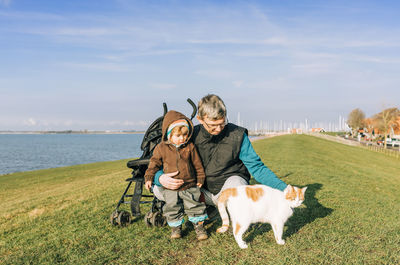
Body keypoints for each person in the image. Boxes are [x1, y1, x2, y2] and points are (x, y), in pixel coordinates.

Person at [153, 94, 287, 218]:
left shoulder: (238, 135)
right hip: (199, 191)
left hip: (227, 190)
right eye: (213, 125)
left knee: (238, 184)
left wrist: (286, 190)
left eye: (222, 123)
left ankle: (232, 212)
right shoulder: (189, 136)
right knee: (158, 190)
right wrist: (160, 177)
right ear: (200, 119)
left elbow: (257, 168)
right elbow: (162, 162)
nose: (218, 129)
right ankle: (199, 208)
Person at [144, 110, 208, 240]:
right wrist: (149, 177)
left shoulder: (189, 147)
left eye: (185, 135)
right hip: (171, 188)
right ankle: (176, 228)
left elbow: (197, 164)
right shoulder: (161, 148)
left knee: (194, 205)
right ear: (169, 134)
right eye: (178, 135)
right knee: (172, 207)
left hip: (189, 184)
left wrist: (200, 177)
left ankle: (199, 227)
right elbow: (153, 164)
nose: (182, 138)